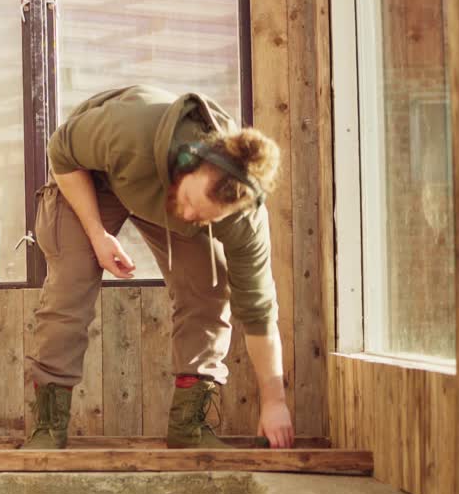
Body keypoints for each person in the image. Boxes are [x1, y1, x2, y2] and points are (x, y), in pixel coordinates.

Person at [22, 84, 295, 450]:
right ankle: (48, 427)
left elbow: (259, 311)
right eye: (189, 202)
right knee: (71, 279)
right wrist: (98, 234)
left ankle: (188, 427)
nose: (187, 216)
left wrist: (275, 402)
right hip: (91, 176)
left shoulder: (243, 219)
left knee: (209, 287)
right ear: (188, 162)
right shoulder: (131, 129)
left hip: (157, 191)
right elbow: (61, 150)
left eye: (203, 218)